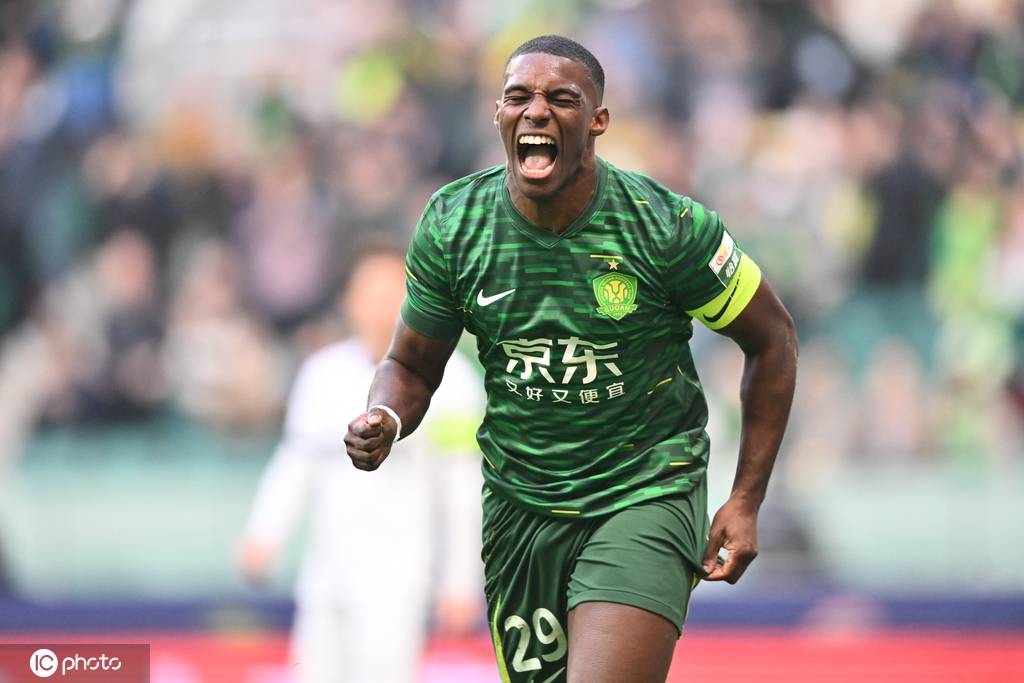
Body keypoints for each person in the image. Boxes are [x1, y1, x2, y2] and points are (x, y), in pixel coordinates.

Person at [345, 35, 798, 683]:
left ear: (598, 120)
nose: (536, 111)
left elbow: (773, 339)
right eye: (518, 97)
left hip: (643, 490)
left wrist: (746, 497)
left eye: (561, 98)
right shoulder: (453, 225)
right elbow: (412, 365)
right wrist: (386, 415)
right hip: (519, 508)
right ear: (498, 115)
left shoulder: (666, 227)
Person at [240, 244, 485, 683]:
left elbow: (462, 491)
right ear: (348, 301)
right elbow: (296, 463)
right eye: (369, 293)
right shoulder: (321, 374)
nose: (380, 307)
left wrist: (460, 580)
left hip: (400, 580)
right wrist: (264, 533)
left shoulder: (453, 384)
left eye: (392, 292)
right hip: (326, 576)